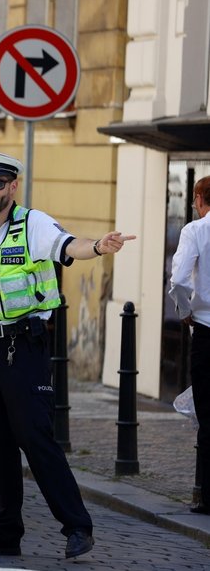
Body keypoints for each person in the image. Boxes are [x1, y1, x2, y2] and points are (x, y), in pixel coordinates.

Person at [0, 151, 135, 560]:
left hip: (23, 347)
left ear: (13, 186)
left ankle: (77, 527)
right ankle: (4, 532)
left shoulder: (32, 224)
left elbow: (69, 246)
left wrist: (100, 246)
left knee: (36, 438)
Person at [169, 174, 210, 515]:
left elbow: (180, 278)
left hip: (207, 330)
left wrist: (185, 312)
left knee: (208, 412)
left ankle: (207, 495)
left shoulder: (196, 231)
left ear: (198, 198)